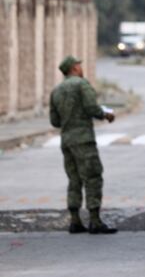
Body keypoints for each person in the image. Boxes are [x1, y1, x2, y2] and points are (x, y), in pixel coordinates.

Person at [49, 56, 117, 235]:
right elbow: (91, 108)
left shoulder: (56, 91)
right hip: (83, 139)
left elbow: (55, 121)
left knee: (74, 179)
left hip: (67, 141)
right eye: (79, 65)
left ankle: (75, 220)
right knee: (93, 177)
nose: (81, 68)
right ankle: (95, 221)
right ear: (74, 68)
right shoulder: (82, 85)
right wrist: (106, 115)